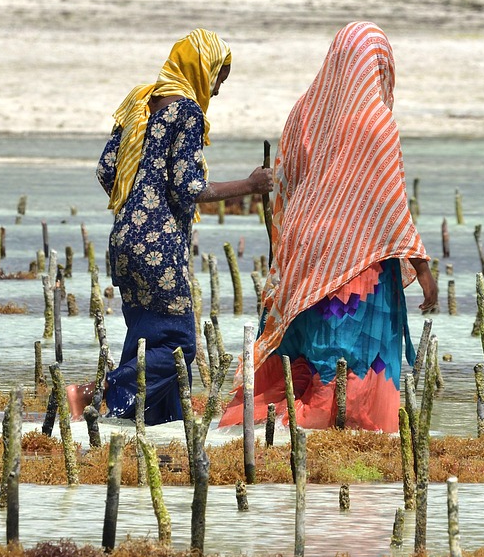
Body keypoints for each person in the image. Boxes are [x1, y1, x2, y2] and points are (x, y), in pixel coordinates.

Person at [218, 21, 437, 432]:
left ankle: (279, 429)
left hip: (308, 254)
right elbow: (390, 204)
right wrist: (423, 269)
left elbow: (288, 180)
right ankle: (325, 433)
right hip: (356, 260)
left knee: (308, 356)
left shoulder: (305, 111)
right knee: (345, 362)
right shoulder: (376, 123)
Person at [68, 29, 272, 425]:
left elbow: (106, 170)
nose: (216, 92)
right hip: (158, 247)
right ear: (201, 69)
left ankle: (158, 426)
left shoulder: (139, 103)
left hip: (124, 239)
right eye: (217, 79)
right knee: (178, 344)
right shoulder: (187, 112)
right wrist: (250, 186)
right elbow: (187, 187)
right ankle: (95, 395)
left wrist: (138, 202)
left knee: (145, 339)